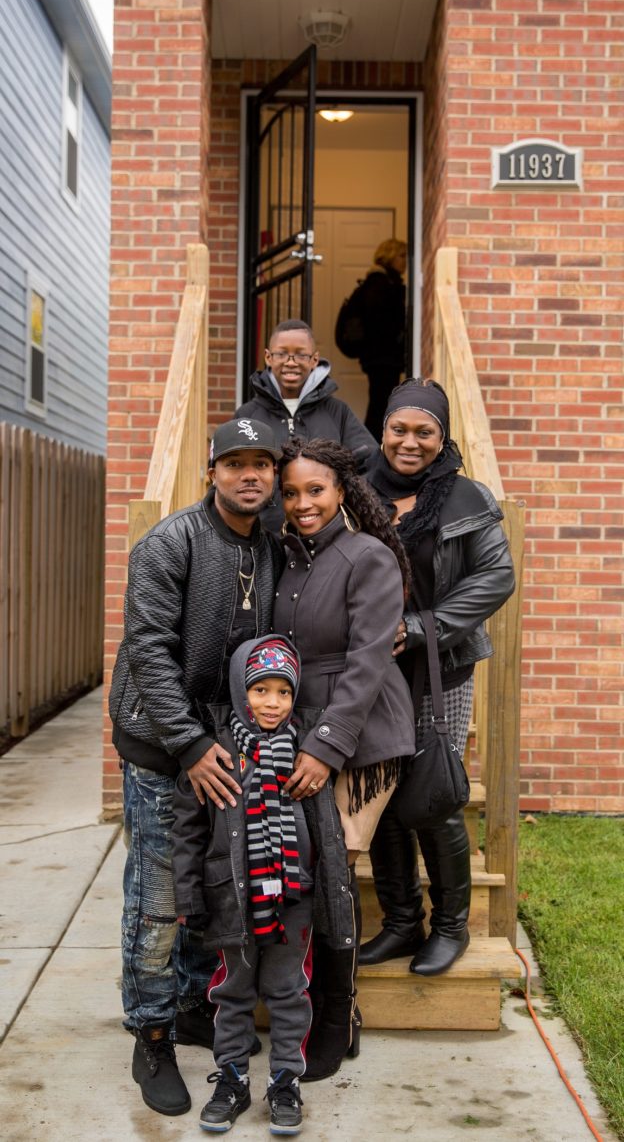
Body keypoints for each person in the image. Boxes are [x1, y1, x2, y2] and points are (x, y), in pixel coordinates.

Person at [108, 418, 284, 1117]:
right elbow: (149, 649)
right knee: (156, 900)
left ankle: (187, 1007)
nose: (250, 475)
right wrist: (188, 745)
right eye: (235, 463)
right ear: (211, 470)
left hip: (222, 747)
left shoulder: (268, 547)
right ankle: (149, 1034)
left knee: (203, 891)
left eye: (262, 464)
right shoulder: (170, 542)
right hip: (163, 748)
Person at [358, 379, 515, 976]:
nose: (410, 442)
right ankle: (402, 923)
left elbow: (495, 577)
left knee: (435, 792)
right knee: (383, 792)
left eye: (425, 431)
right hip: (373, 669)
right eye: (400, 428)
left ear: (442, 436)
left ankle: (451, 928)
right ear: (384, 429)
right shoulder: (358, 491)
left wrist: (425, 627)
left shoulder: (465, 498)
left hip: (439, 666)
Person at [272, 437, 415, 1081]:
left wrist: (326, 748)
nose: (303, 503)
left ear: (341, 491)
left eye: (316, 490)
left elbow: (367, 664)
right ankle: (309, 1003)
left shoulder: (370, 557)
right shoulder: (286, 558)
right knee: (302, 864)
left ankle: (339, 1014)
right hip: (296, 727)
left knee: (337, 865)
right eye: (292, 491)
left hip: (364, 733)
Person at [172, 634, 354, 1136]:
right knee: (232, 990)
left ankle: (284, 1081)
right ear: (240, 691)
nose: (272, 703)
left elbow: (327, 834)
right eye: (260, 690)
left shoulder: (306, 751)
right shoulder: (215, 753)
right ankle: (231, 1077)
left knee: (289, 989)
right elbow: (187, 828)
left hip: (292, 895)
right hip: (232, 894)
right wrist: (187, 894)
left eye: (283, 692)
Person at [235, 318, 376, 530]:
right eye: (281, 354)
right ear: (268, 357)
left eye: (301, 354)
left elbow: (370, 461)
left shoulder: (337, 412)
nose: (291, 362)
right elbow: (231, 471)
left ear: (314, 360)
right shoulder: (247, 415)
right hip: (263, 535)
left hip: (325, 536)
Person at [356, 238, 407, 441]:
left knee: (381, 402)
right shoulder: (381, 283)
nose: (405, 261)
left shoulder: (384, 281)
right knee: (381, 404)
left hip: (379, 357)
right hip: (382, 357)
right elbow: (381, 321)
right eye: (401, 256)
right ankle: (371, 446)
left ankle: (373, 445)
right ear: (389, 256)